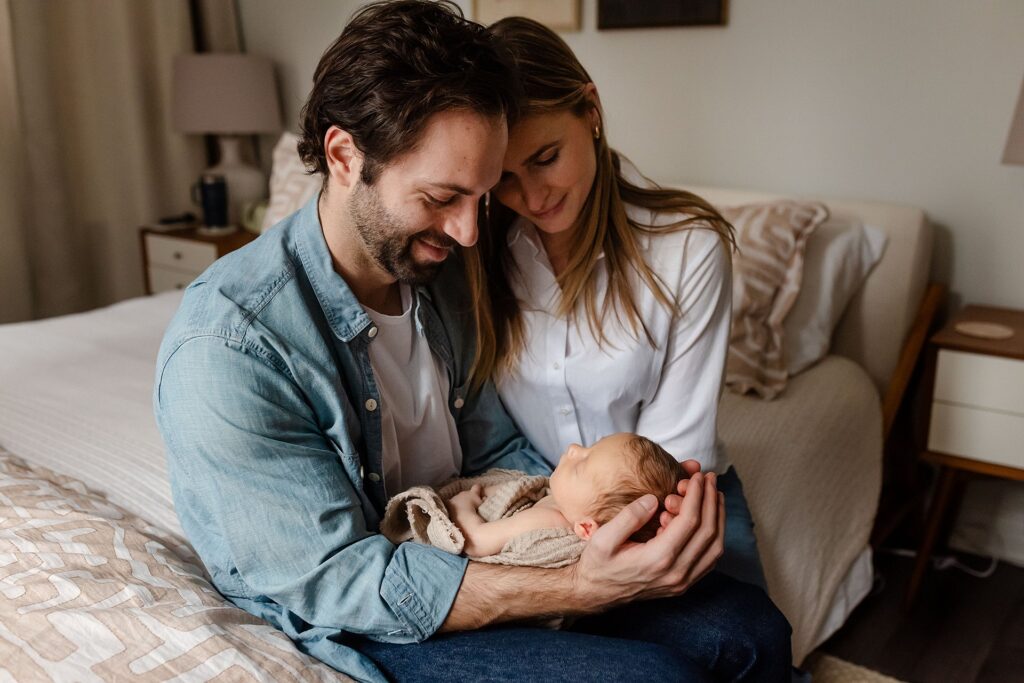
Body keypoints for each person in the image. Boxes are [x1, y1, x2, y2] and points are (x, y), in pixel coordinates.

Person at [154, 2, 789, 681]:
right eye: (441, 197)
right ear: (344, 156)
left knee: (750, 632)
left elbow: (496, 448)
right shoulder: (229, 348)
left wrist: (573, 532)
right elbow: (340, 581)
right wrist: (581, 586)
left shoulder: (438, 274)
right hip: (385, 613)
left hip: (493, 552)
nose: (467, 233)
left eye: (479, 198)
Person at [472, 16, 769, 591]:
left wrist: (597, 559)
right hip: (539, 506)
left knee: (742, 648)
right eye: (504, 178)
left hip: (664, 505)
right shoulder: (481, 250)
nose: (531, 197)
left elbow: (672, 460)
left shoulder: (688, 249)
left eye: (546, 157)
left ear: (591, 110)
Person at [450, 433, 680, 558]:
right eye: (591, 446)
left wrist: (463, 506)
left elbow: (475, 542)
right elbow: (521, 491)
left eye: (581, 465)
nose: (574, 448)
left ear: (587, 528)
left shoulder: (547, 522)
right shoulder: (566, 503)